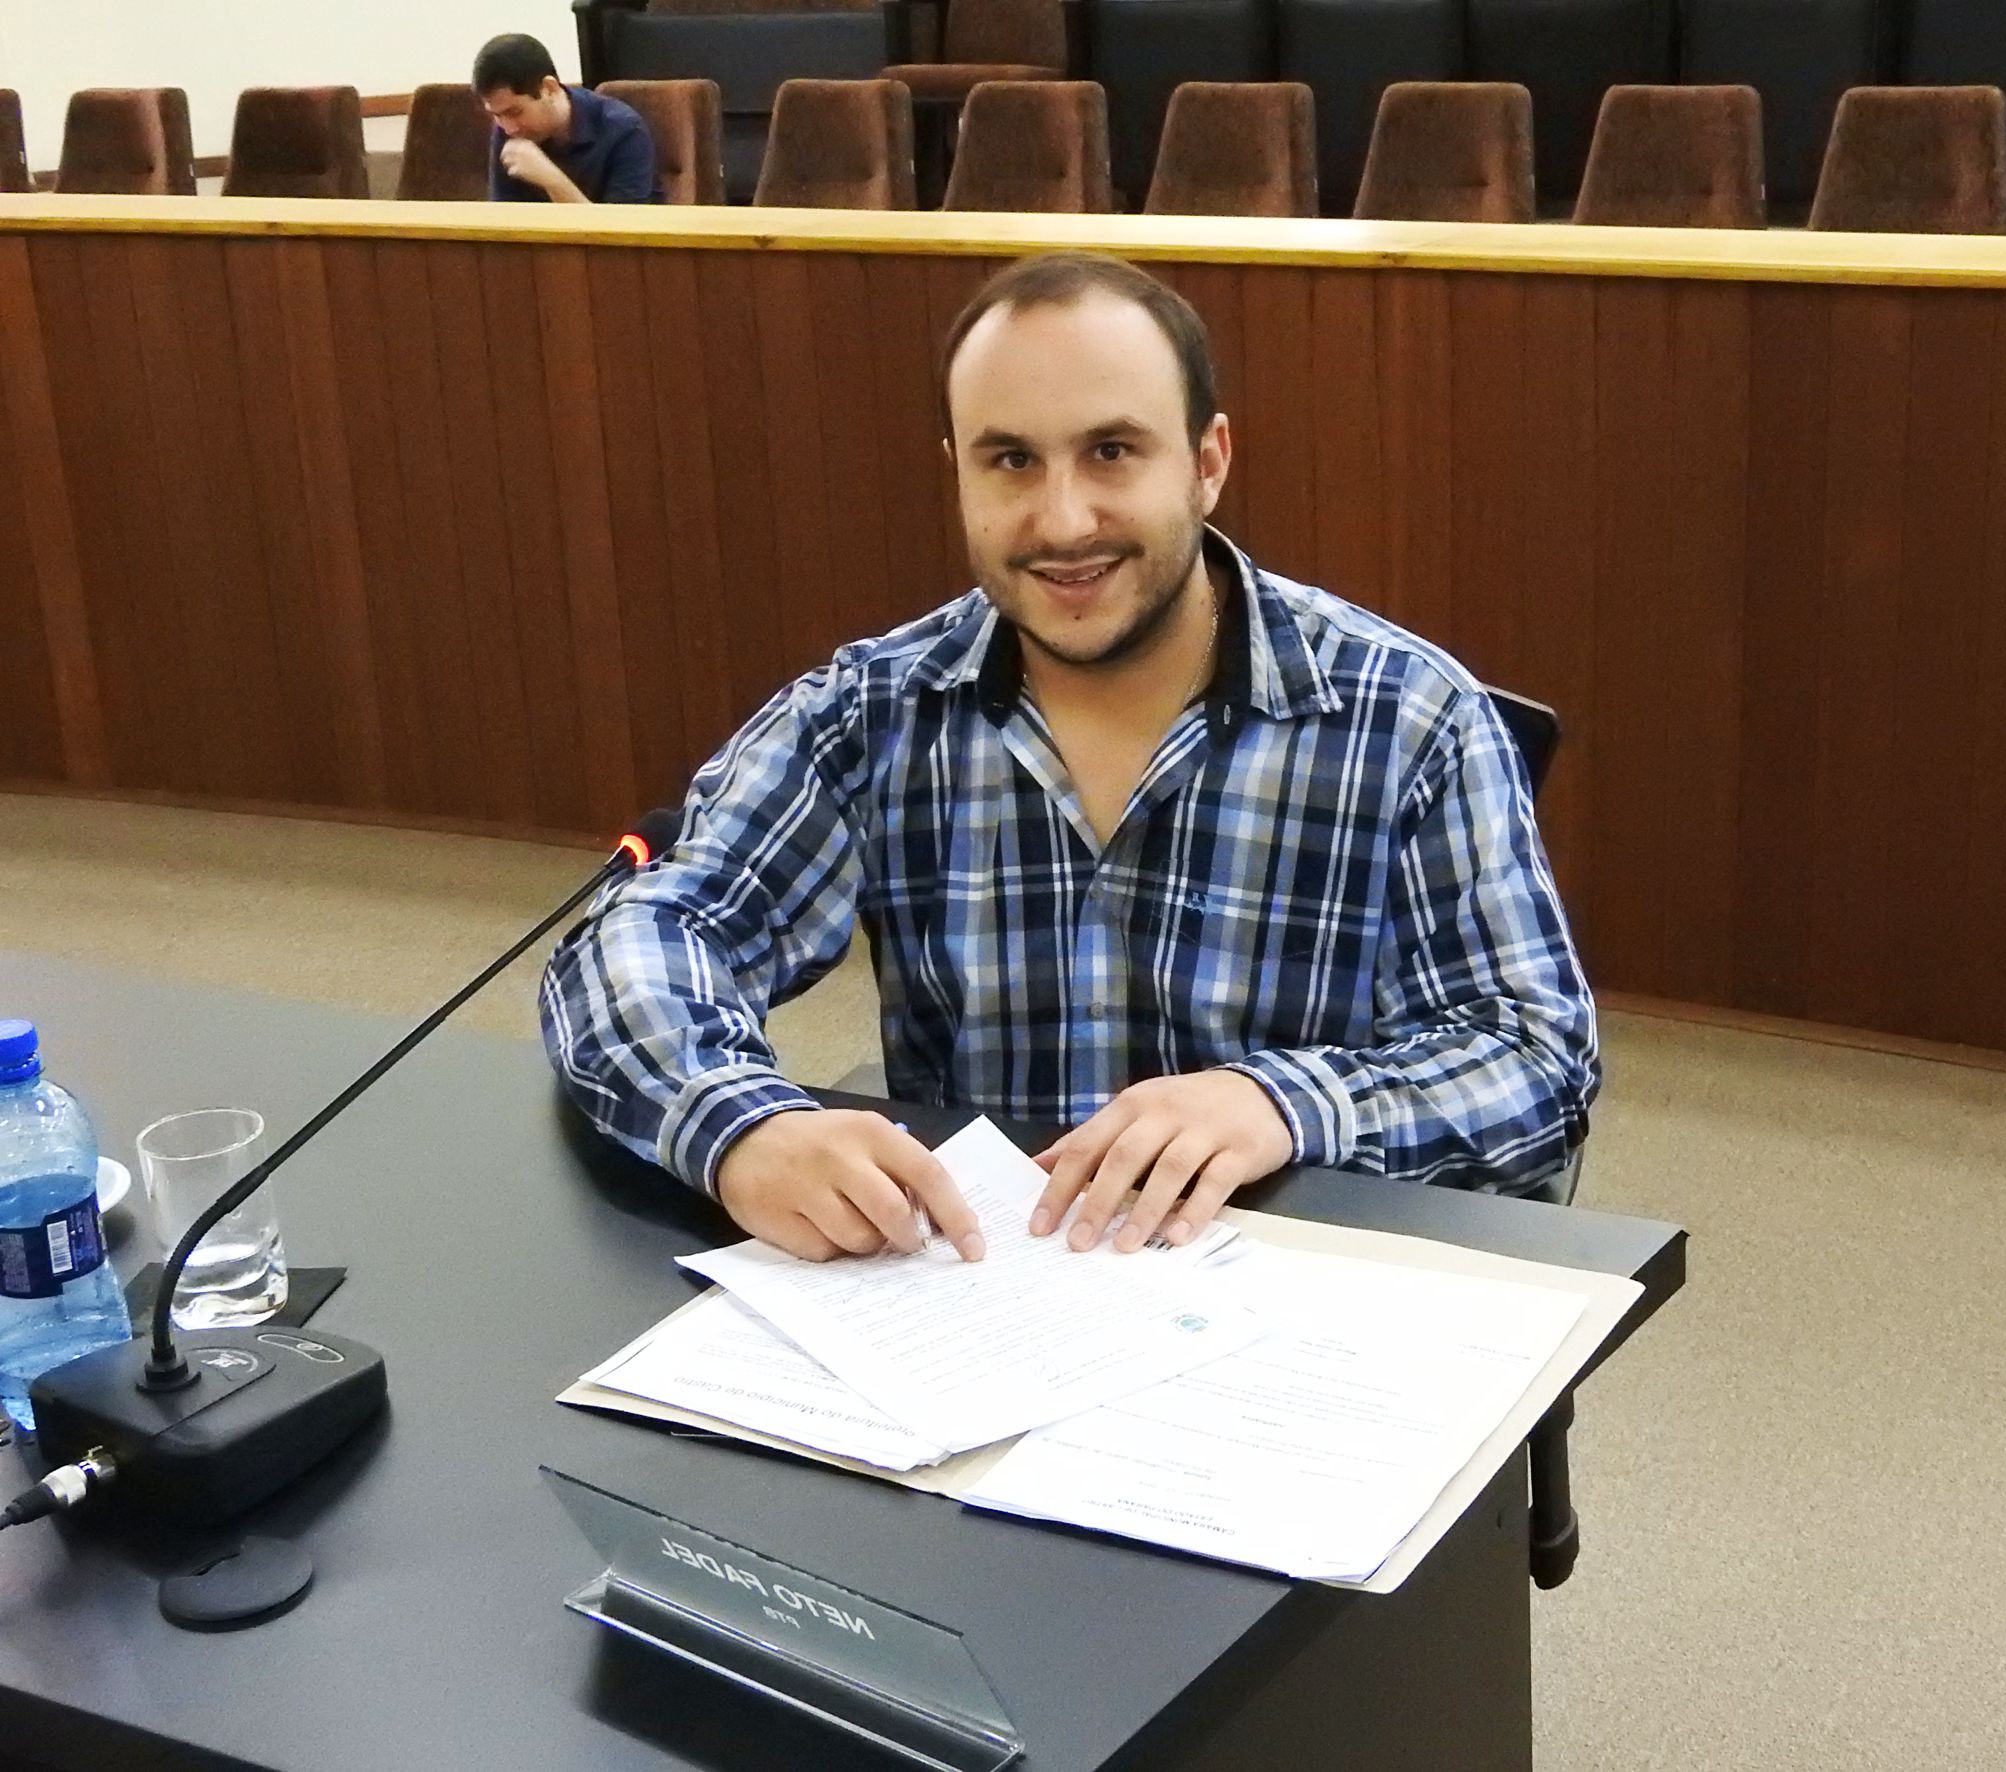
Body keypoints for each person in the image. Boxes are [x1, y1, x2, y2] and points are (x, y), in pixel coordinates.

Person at [540, 251, 1599, 1265]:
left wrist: (1281, 1102)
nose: (1063, 520)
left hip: (1285, 1301)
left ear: (1208, 463)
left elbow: (1535, 1057)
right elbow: (649, 932)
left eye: (1112, 451)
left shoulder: (1410, 716)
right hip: (978, 1294)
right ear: (959, 475)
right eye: (1011, 461)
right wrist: (740, 1125)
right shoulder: (874, 710)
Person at [472, 33, 657, 205]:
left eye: (516, 112)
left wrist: (552, 180)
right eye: (497, 115)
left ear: (549, 88)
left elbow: (620, 228)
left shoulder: (625, 130)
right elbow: (505, 221)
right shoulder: (508, 130)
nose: (509, 128)